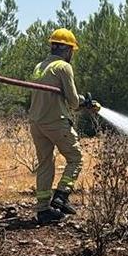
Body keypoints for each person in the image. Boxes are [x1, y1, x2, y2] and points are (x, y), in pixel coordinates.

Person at [28, 28, 100, 224]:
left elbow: (57, 95)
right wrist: (85, 103)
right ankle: (61, 197)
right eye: (72, 51)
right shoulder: (63, 67)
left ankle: (43, 210)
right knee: (75, 159)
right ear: (68, 50)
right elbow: (73, 102)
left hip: (36, 122)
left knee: (45, 163)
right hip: (55, 122)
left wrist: (80, 101)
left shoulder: (40, 66)